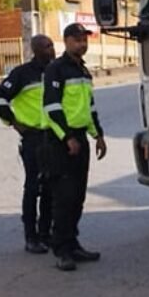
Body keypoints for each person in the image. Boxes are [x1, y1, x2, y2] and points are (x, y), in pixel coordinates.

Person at [43, 23, 108, 272]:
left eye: (85, 40)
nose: (83, 44)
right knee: (63, 197)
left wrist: (98, 135)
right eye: (78, 39)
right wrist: (67, 137)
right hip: (61, 141)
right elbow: (52, 108)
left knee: (78, 196)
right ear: (67, 41)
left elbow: (88, 108)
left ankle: (73, 243)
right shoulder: (56, 70)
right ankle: (61, 250)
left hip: (80, 139)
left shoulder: (83, 71)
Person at [0, 34, 56, 254]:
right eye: (47, 46)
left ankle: (46, 234)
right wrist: (14, 122)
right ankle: (31, 236)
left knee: (50, 187)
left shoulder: (54, 71)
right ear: (36, 50)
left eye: (52, 45)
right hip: (33, 138)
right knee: (33, 187)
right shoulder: (22, 73)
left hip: (53, 136)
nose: (52, 49)